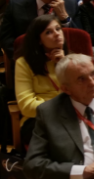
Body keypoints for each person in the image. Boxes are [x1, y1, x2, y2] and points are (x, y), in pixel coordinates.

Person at [0, 0, 79, 58]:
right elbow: (5, 37)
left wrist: (64, 17)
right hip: (28, 58)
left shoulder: (70, 5)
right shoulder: (16, 5)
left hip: (62, 58)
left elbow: (79, 39)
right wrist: (23, 58)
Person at [14, 15, 68, 145]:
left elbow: (85, 94)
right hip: (38, 119)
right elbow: (26, 106)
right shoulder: (24, 63)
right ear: (39, 40)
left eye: (58, 29)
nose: (57, 34)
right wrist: (60, 108)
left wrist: (64, 65)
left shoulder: (72, 59)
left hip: (70, 115)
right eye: (48, 32)